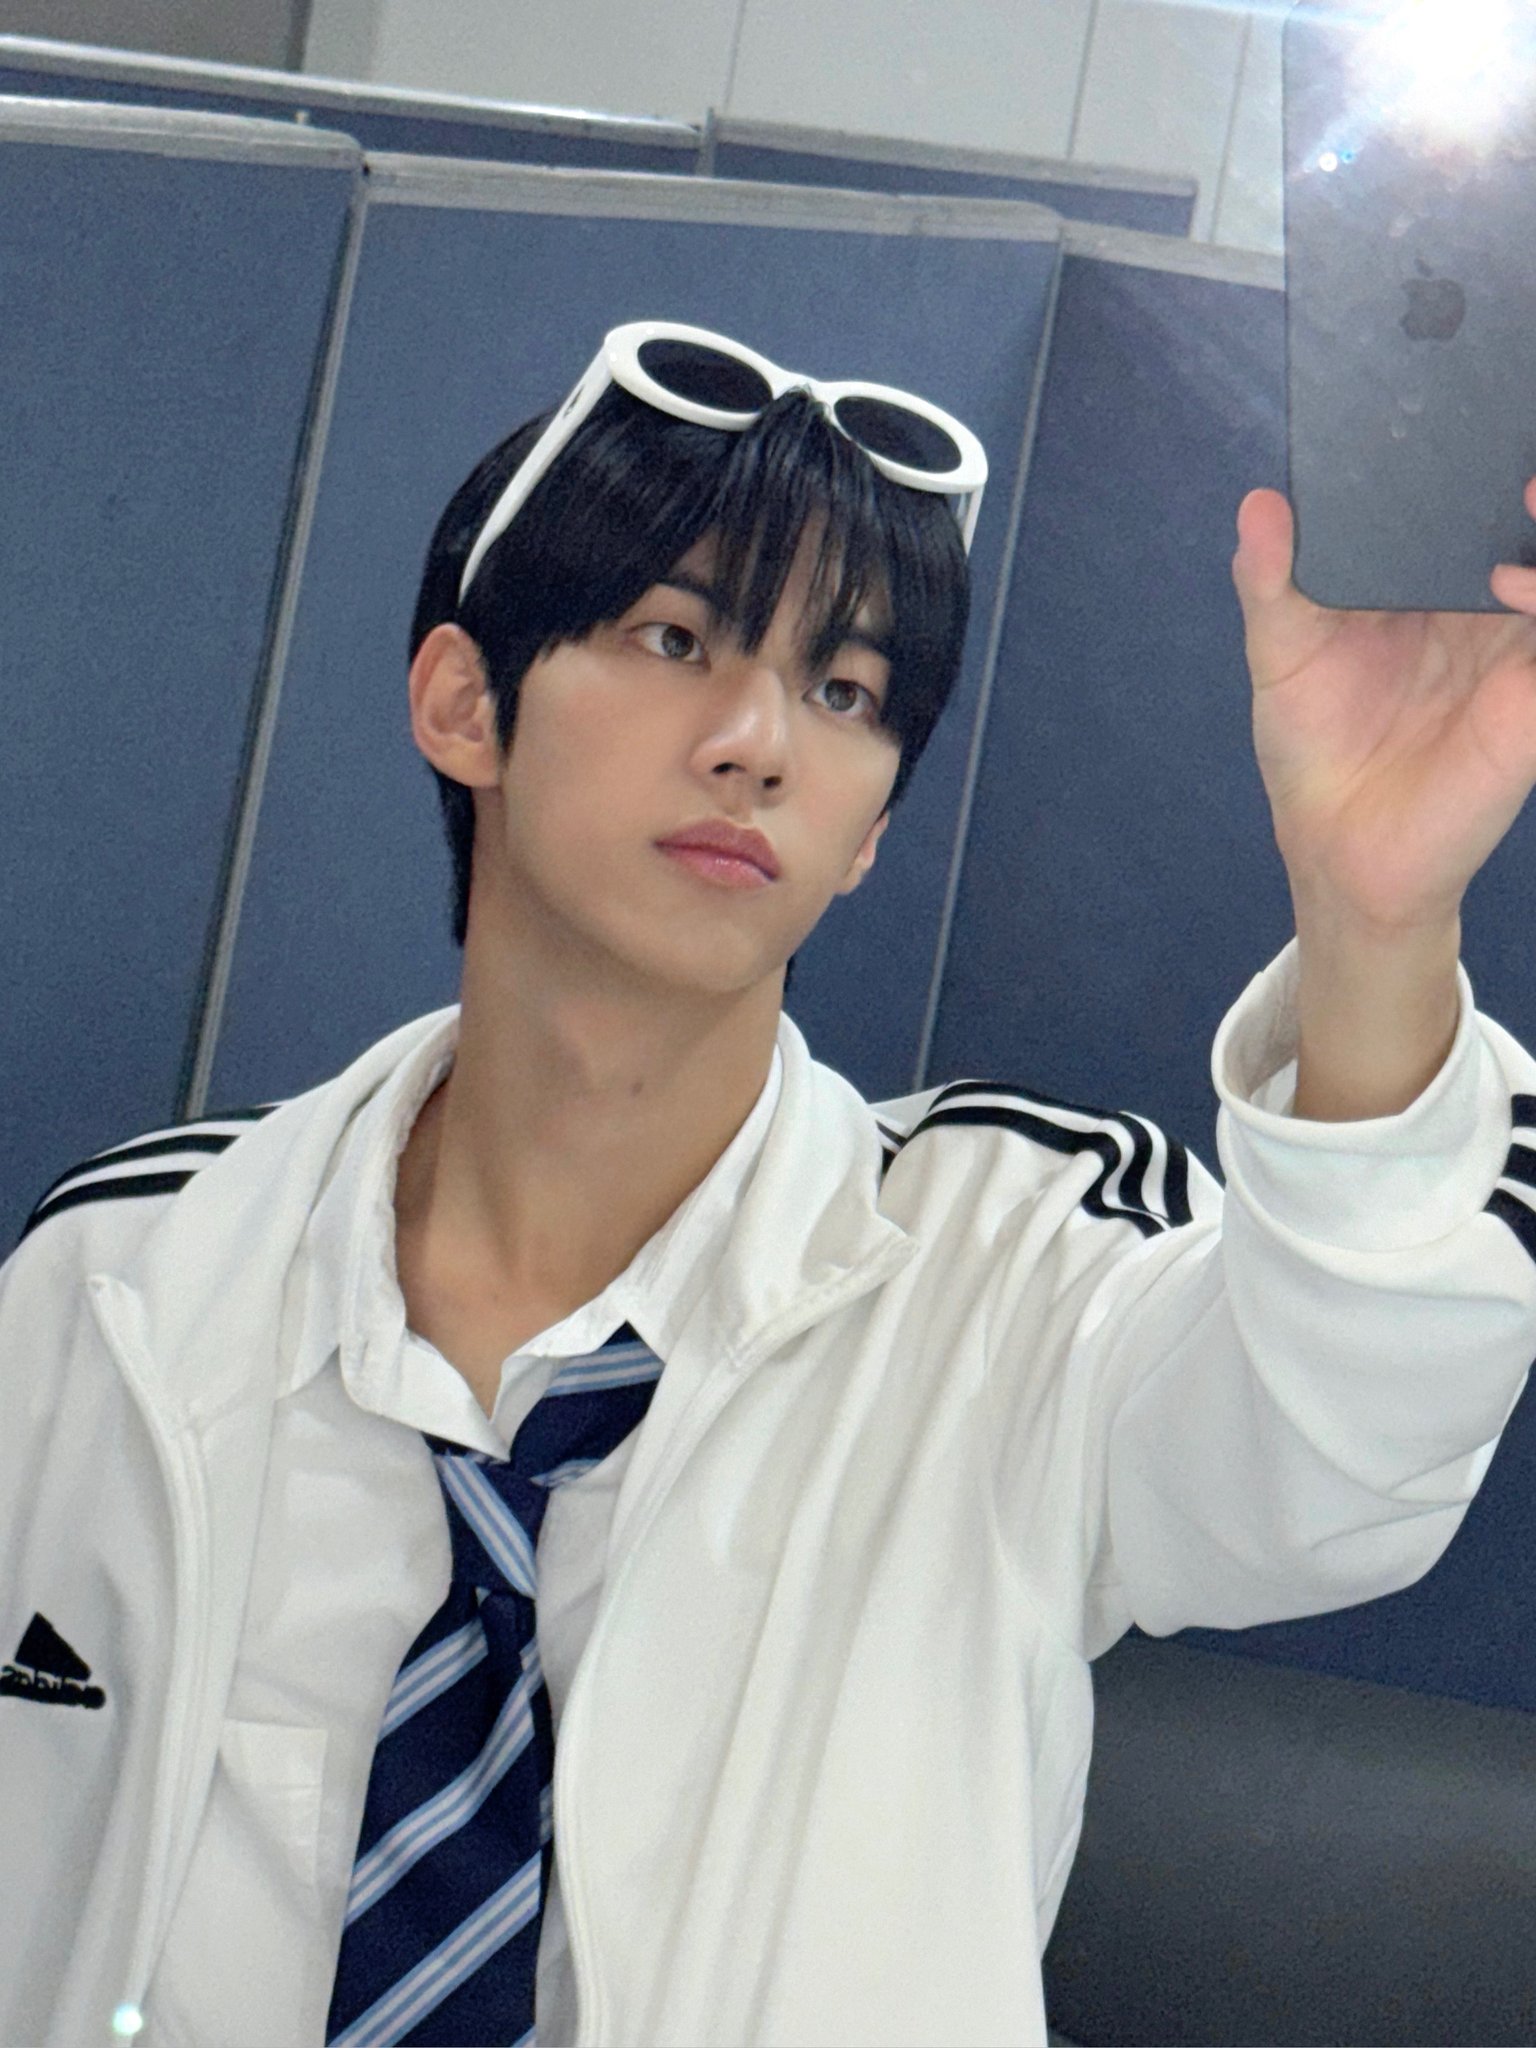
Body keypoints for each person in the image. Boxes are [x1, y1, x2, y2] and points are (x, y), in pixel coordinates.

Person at [4, 317, 1536, 2048]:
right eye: (674, 637)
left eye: (845, 692)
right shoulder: (120, 1284)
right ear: (464, 701)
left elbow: (1340, 1442)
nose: (757, 741)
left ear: (871, 832)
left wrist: (1376, 918)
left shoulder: (1002, 1270)